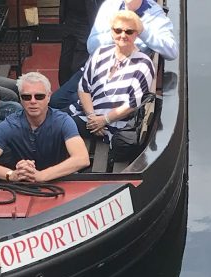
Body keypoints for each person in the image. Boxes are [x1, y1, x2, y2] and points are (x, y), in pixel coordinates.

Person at [52, 0, 177, 109]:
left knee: (74, 103)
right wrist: (119, 33)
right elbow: (91, 46)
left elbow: (171, 51)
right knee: (55, 102)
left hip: (124, 78)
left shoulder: (155, 13)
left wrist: (142, 30)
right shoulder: (110, 5)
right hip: (96, 68)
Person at [67, 10, 156, 163]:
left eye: (129, 31)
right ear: (111, 32)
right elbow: (84, 87)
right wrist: (92, 117)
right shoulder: (100, 53)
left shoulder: (143, 64)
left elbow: (132, 104)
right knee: (50, 120)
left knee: (57, 125)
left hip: (116, 125)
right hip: (88, 116)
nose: (123, 35)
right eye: (118, 30)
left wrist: (105, 120)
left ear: (137, 34)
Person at [0, 72, 89, 182]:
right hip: (23, 183)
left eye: (39, 96)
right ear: (21, 99)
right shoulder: (10, 124)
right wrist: (11, 175)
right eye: (27, 97)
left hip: (59, 180)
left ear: (48, 97)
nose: (33, 101)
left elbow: (82, 158)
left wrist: (42, 175)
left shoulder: (63, 121)